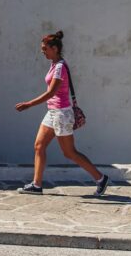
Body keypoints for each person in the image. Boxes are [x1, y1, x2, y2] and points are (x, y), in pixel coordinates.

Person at [14, 31, 109, 197]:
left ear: (55, 48)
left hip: (61, 114)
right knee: (39, 146)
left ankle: (100, 178)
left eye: (45, 48)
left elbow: (51, 93)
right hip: (52, 112)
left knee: (69, 152)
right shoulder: (54, 64)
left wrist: (29, 104)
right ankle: (36, 185)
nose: (42, 51)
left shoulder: (59, 67)